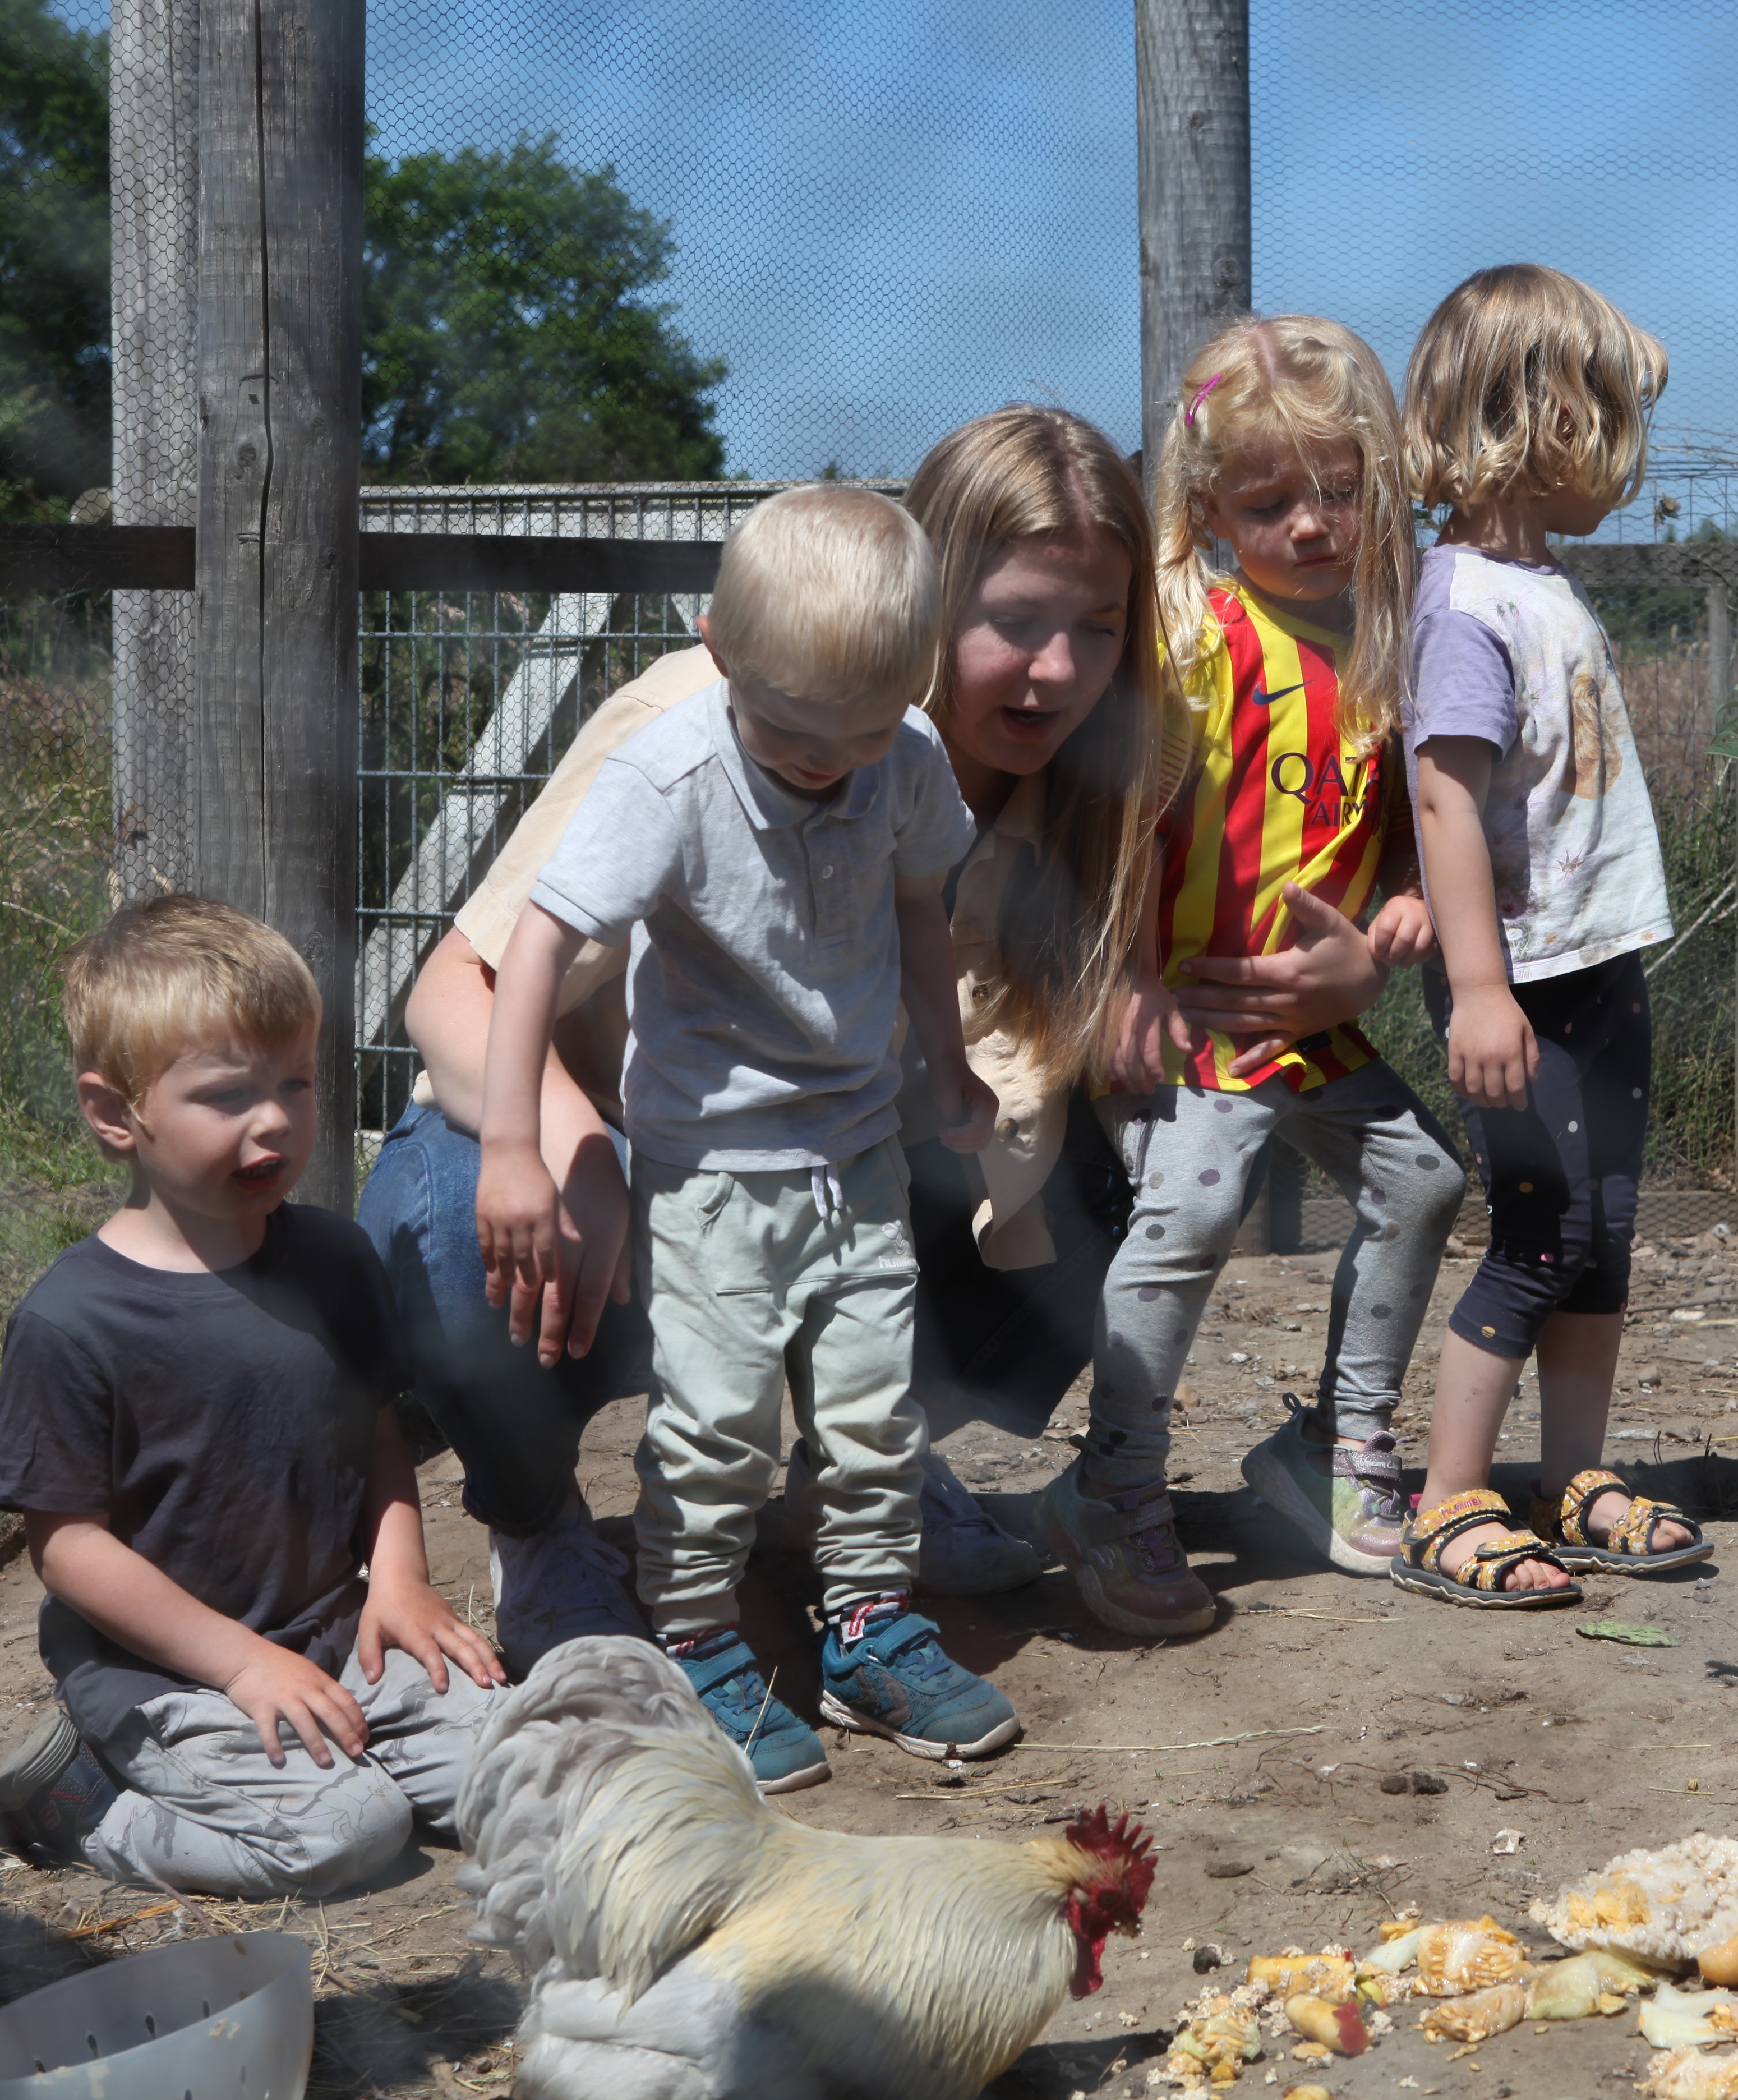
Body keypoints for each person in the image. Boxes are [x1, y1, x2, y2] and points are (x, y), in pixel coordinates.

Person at [375, 406, 1398, 1666]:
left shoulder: (1100, 781)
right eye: (1014, 622)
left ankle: (851, 1475)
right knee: (452, 1216)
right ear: (926, 603)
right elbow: (450, 987)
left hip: (840, 1159)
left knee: (1122, 1156)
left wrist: (1338, 979)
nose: (1059, 674)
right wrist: (573, 1148)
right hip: (635, 1159)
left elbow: (1273, 923)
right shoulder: (722, 716)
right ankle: (541, 1531)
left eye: (1096, 628)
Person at [474, 485, 1017, 1792]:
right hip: (713, 1167)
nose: (826, 765)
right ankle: (698, 1640)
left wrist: (948, 1060)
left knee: (879, 1411)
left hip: (857, 1146)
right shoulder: (669, 773)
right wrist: (512, 1143)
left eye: (861, 734)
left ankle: (870, 1629)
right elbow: (538, 941)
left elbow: (922, 902)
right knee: (717, 1426)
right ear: (716, 648)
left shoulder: (909, 754)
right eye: (790, 734)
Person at [0, 896, 505, 1894]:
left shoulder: (335, 1258)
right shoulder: (75, 1321)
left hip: (342, 1635)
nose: (277, 1121)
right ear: (115, 1113)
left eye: (296, 1083)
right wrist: (243, 1665)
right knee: (349, 1835)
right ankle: (81, 1806)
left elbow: (376, 1430)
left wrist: (401, 1583)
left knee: (535, 1777)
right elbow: (67, 1547)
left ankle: (349, 1750)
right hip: (167, 1678)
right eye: (226, 1095)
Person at [1066, 314, 1469, 1636]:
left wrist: (1408, 899)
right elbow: (1117, 821)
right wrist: (1125, 979)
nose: (1312, 524)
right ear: (1209, 503)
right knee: (1192, 1216)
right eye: (1270, 500)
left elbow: (1409, 811)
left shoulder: (1388, 638)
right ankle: (1115, 1486)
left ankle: (1341, 1449)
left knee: (1426, 1180)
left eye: (1342, 493)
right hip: (1201, 1012)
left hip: (1315, 1024)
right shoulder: (1195, 640)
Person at [1391, 262, 1708, 1606]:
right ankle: (1450, 1497)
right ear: (1551, 422)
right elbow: (1445, 794)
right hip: (1517, 983)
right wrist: (1476, 988)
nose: (1628, 459)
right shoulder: (1464, 601)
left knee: (1604, 1231)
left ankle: (1572, 1476)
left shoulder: (1541, 585)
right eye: (1613, 419)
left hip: (1598, 965)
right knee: (1538, 1229)